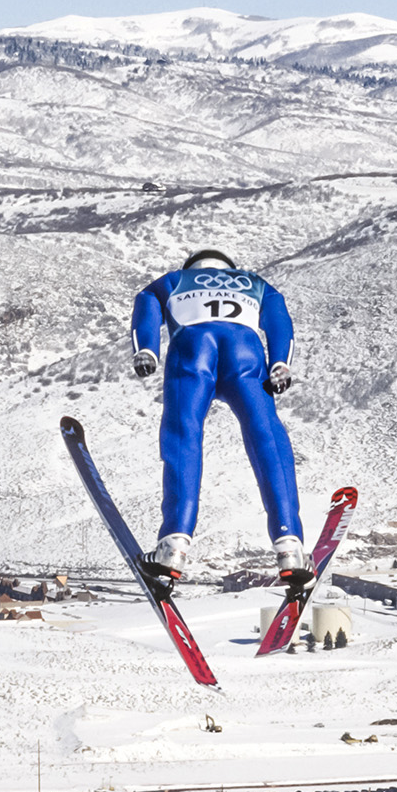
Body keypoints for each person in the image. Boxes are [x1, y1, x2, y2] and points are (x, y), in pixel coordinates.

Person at [131, 249, 303, 582]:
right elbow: (278, 316)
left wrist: (146, 348)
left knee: (185, 435)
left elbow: (147, 299)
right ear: (229, 268)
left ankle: (173, 546)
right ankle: (290, 547)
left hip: (192, 347)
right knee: (267, 438)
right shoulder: (253, 282)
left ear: (192, 266)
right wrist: (281, 361)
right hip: (246, 352)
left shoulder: (175, 280)